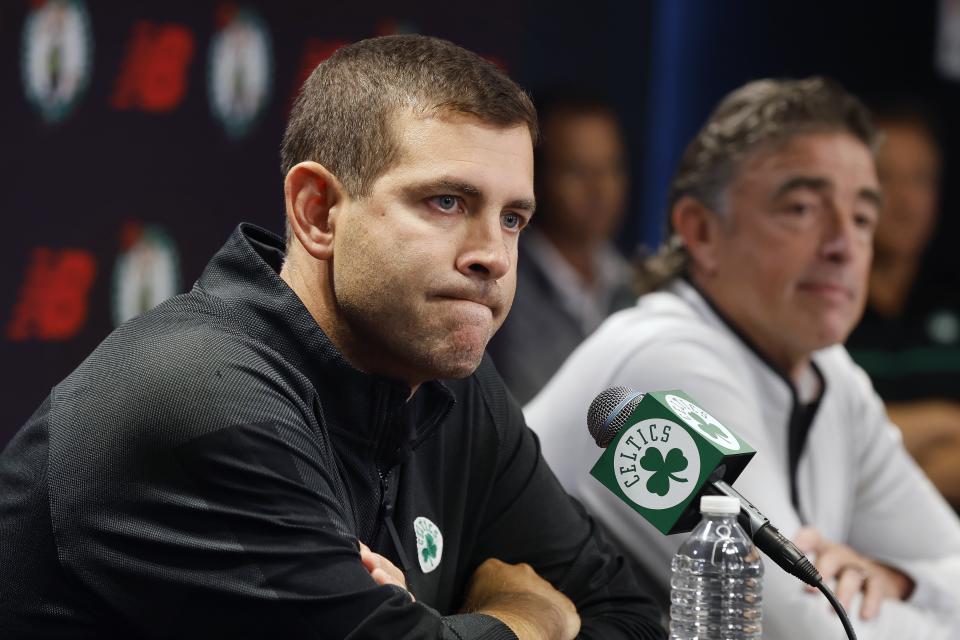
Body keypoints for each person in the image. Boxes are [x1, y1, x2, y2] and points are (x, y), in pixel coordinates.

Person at [0, 35, 665, 640]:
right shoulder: (197, 396)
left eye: (514, 217)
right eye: (446, 203)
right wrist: (530, 617)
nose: (492, 254)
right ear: (318, 212)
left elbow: (632, 617)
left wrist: (438, 628)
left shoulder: (455, 390)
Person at [525, 77, 960, 639]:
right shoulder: (661, 364)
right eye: (802, 208)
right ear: (701, 232)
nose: (843, 246)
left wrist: (900, 581)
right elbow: (795, 635)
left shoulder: (829, 373)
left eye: (862, 218)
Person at [845, 102, 960, 509]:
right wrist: (944, 421)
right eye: (887, 177)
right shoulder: (820, 307)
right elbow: (824, 445)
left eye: (921, 179)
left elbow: (843, 465)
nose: (906, 201)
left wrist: (861, 478)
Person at [487, 90, 635, 404]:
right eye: (577, 171)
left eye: (611, 168)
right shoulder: (498, 283)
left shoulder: (641, 287)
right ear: (536, 177)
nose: (600, 190)